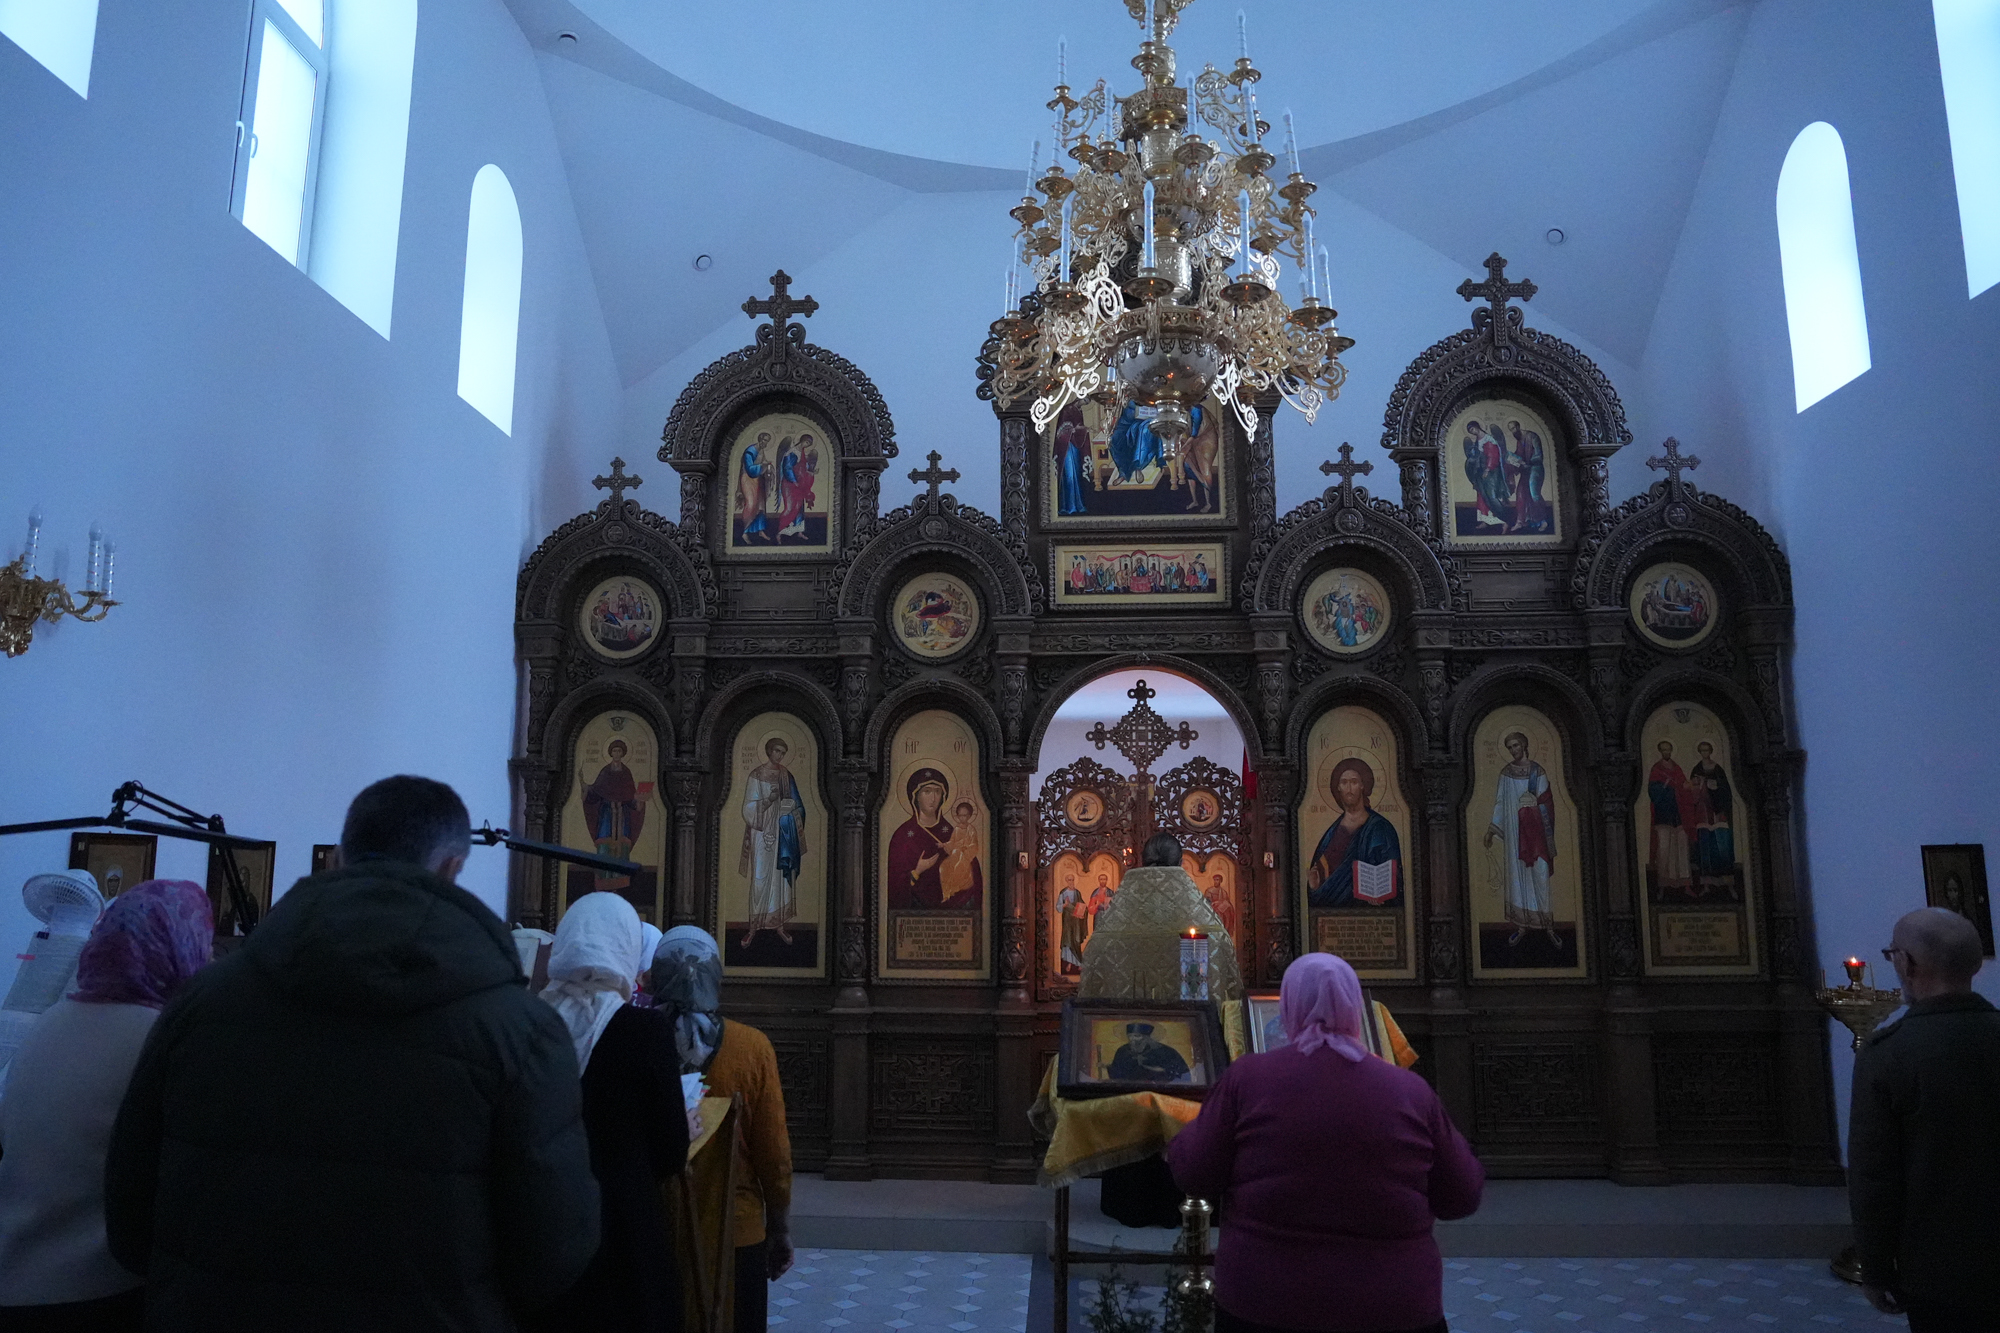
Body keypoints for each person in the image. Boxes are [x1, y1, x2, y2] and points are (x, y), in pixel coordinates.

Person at [104, 775, 599, 1332]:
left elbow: (130, 1219)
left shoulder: (200, 1003)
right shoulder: (523, 1031)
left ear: (339, 857)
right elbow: (553, 1254)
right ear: (451, 867)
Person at [1168, 953, 1484, 1333]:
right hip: (1392, 1307)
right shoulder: (1409, 1091)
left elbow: (1194, 1171)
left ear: (1288, 1006)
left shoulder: (1248, 1079)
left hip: (1266, 1303)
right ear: (1355, 1007)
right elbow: (1462, 1195)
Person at [0, 881, 211, 1332]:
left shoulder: (50, 1021)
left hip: (14, 1276)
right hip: (97, 1289)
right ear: (180, 944)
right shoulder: (160, 1036)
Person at [532, 892, 688, 1333]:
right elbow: (670, 1152)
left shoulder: (531, 1023)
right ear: (624, 945)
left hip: (546, 1220)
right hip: (624, 1227)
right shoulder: (645, 1030)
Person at [1848, 907, 1999, 1333]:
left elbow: (1875, 1177)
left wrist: (1876, 1268)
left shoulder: (1888, 1054)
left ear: (1906, 963)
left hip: (1940, 1268)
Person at [651, 929, 794, 1333]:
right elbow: (774, 1156)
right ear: (715, 977)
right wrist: (779, 1228)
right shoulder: (752, 1048)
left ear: (656, 977)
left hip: (659, 1228)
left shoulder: (639, 1042)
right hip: (737, 1230)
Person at [1080, 833, 1242, 1004]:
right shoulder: (1203, 919)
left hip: (1124, 1019)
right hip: (1190, 1018)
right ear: (1180, 862)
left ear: (1143, 861)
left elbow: (1094, 962)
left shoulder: (1114, 921)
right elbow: (1224, 963)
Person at [1483, 731, 1562, 948]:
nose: (1513, 750)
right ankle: (1522, 926)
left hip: (1536, 837)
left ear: (1524, 745)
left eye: (1516, 745)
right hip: (1515, 837)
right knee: (1518, 880)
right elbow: (1500, 803)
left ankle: (1548, 926)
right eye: (1509, 747)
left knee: (1540, 875)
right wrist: (1491, 830)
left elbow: (1548, 802)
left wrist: (1536, 805)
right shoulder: (1506, 773)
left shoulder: (1538, 772)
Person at [1307, 759, 1403, 909]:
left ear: (1363, 785)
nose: (1349, 788)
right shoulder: (1331, 833)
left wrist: (1381, 893)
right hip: (1333, 917)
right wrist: (1314, 888)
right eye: (1344, 782)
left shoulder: (1381, 827)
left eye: (1354, 782)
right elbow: (1321, 883)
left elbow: (1394, 874)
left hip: (1372, 914)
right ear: (1338, 787)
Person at [739, 737, 804, 949]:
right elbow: (748, 808)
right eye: (777, 751)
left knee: (779, 880)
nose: (780, 756)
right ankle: (753, 927)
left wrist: (790, 808)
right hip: (760, 832)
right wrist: (768, 800)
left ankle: (779, 925)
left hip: (782, 833)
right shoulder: (756, 775)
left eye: (783, 752)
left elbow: (798, 805)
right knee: (760, 877)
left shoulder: (786, 775)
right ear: (769, 751)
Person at [1646, 740, 1695, 896]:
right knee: (1664, 850)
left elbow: (1684, 787)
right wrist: (1666, 785)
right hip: (1664, 816)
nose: (1666, 752)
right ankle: (1663, 885)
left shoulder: (1677, 768)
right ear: (1660, 751)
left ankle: (1685, 884)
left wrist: (1687, 787)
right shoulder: (1657, 769)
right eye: (1664, 750)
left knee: (1682, 849)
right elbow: (1653, 793)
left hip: (1679, 815)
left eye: (1668, 750)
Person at [1106, 1022, 1191, 1082]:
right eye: (1130, 1036)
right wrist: (1110, 1068)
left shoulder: (1166, 1052)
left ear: (1147, 1038)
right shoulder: (1123, 1051)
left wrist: (1150, 1068)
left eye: (1137, 1036)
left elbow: (1181, 1074)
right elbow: (1117, 1075)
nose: (1132, 1040)